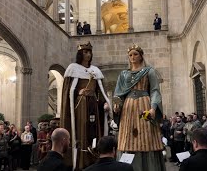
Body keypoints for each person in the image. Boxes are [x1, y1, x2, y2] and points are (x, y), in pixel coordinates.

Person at [60, 41, 112, 170]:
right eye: (85, 52)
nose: (88, 54)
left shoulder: (95, 71)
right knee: (81, 129)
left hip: (93, 104)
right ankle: (81, 160)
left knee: (94, 129)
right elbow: (68, 91)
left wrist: (105, 103)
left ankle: (94, 156)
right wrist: (78, 92)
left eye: (89, 52)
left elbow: (101, 92)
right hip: (80, 105)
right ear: (80, 54)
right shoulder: (73, 68)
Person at [113, 44, 165, 171]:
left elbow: (155, 91)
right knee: (127, 137)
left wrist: (153, 108)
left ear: (141, 56)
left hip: (144, 106)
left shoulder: (149, 71)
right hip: (128, 108)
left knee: (147, 137)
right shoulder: (123, 74)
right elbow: (118, 94)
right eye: (130, 55)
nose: (132, 57)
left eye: (135, 54)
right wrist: (117, 105)